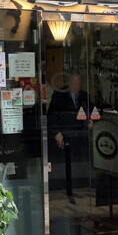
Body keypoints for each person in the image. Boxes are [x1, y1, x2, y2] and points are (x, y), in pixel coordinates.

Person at [47, 72, 90, 202]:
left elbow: (92, 111)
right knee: (64, 166)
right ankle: (66, 190)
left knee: (79, 165)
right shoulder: (59, 95)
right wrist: (57, 132)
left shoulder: (85, 96)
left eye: (79, 82)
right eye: (74, 82)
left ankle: (78, 189)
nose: (77, 85)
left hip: (80, 136)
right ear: (69, 83)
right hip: (64, 135)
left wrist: (91, 121)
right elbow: (51, 116)